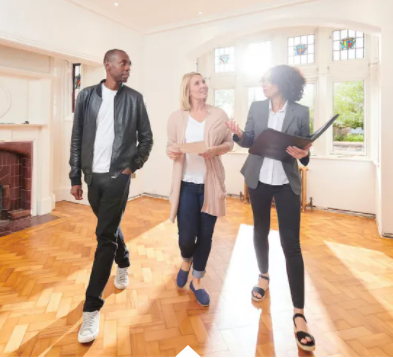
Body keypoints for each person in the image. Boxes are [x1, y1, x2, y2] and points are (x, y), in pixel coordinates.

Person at [226, 65, 315, 352]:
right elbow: (250, 141)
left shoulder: (300, 112)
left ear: (282, 83)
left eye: (268, 80)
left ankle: (299, 313)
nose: (263, 83)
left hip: (286, 183)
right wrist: (239, 134)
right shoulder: (257, 106)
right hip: (258, 180)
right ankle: (263, 276)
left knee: (292, 244)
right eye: (262, 79)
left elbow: (305, 153)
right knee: (260, 232)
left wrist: (305, 154)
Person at [69, 49, 153, 343]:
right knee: (109, 226)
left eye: (130, 63)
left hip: (119, 176)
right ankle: (125, 259)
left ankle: (91, 308)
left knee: (103, 236)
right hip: (93, 177)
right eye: (123, 63)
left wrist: (133, 166)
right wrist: (75, 175)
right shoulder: (87, 96)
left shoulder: (134, 98)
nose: (128, 67)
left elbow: (147, 138)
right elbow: (77, 136)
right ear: (108, 65)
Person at [167, 72, 233, 306]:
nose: (203, 85)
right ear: (188, 90)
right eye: (198, 83)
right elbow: (170, 146)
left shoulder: (219, 114)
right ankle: (186, 260)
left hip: (210, 185)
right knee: (186, 237)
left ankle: (197, 280)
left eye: (204, 82)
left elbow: (229, 143)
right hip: (186, 185)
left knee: (205, 236)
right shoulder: (176, 118)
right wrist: (172, 151)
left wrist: (213, 151)